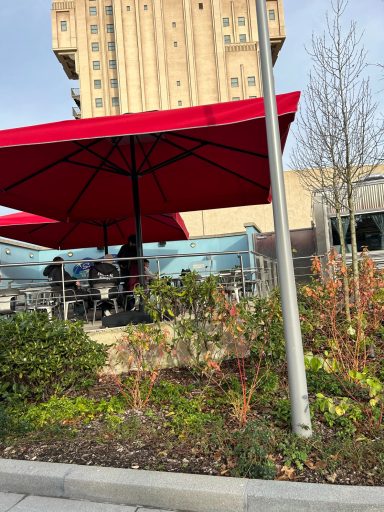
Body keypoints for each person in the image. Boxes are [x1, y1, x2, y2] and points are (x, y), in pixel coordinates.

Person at [117, 234, 139, 310]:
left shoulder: (135, 248)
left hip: (133, 272)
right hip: (128, 272)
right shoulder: (125, 247)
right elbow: (119, 259)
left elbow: (118, 258)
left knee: (130, 289)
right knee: (128, 289)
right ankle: (129, 306)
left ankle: (130, 306)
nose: (134, 244)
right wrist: (122, 265)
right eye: (133, 243)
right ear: (130, 242)